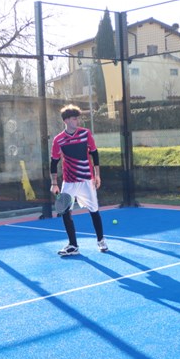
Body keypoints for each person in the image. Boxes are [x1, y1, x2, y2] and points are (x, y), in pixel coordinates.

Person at [50, 104, 108, 256]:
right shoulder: (58, 140)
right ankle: (73, 245)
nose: (78, 121)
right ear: (66, 120)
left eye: (77, 118)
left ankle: (101, 240)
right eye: (75, 119)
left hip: (86, 181)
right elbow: (54, 162)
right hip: (69, 182)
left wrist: (97, 175)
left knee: (94, 210)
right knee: (65, 211)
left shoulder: (85, 134)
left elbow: (94, 153)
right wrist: (54, 183)